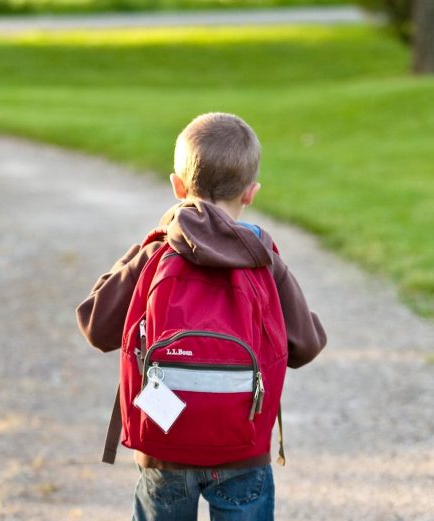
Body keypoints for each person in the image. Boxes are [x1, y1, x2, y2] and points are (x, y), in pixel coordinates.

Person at [76, 112, 326, 520]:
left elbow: (95, 324)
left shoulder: (158, 253)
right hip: (242, 450)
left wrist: (143, 248)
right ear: (251, 192)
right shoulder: (263, 259)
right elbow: (306, 347)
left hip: (165, 447)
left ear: (177, 186)